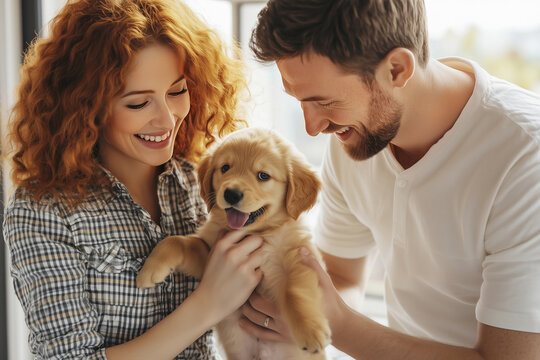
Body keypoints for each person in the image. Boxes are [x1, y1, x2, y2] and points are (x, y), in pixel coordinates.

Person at [240, 0, 540, 358]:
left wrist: (336, 325)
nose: (312, 126)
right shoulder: (354, 140)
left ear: (397, 69)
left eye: (325, 101)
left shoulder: (525, 157)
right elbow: (343, 278)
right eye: (299, 101)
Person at [3, 0, 265, 359]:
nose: (168, 119)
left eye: (177, 92)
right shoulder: (44, 210)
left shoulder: (198, 181)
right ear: (86, 107)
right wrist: (207, 304)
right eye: (138, 104)